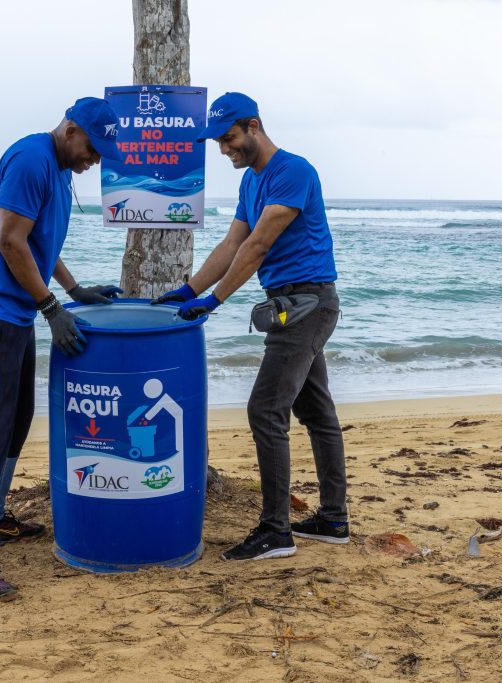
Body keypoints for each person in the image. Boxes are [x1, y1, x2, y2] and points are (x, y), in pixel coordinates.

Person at [153, 92, 349, 561]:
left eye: (229, 139)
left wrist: (214, 301)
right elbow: (231, 244)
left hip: (308, 304)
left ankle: (275, 531)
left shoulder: (292, 172)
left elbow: (259, 246)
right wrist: (189, 288)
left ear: (254, 126)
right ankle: (333, 519)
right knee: (317, 413)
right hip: (290, 306)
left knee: (265, 410)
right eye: (220, 142)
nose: (225, 150)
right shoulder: (252, 184)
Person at [0, 97, 124, 598]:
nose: (94, 161)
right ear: (71, 130)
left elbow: (39, 242)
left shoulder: (57, 168)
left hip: (17, 309)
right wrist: (51, 308)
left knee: (18, 415)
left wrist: (73, 291)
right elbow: (9, 241)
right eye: (93, 149)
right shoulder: (31, 159)